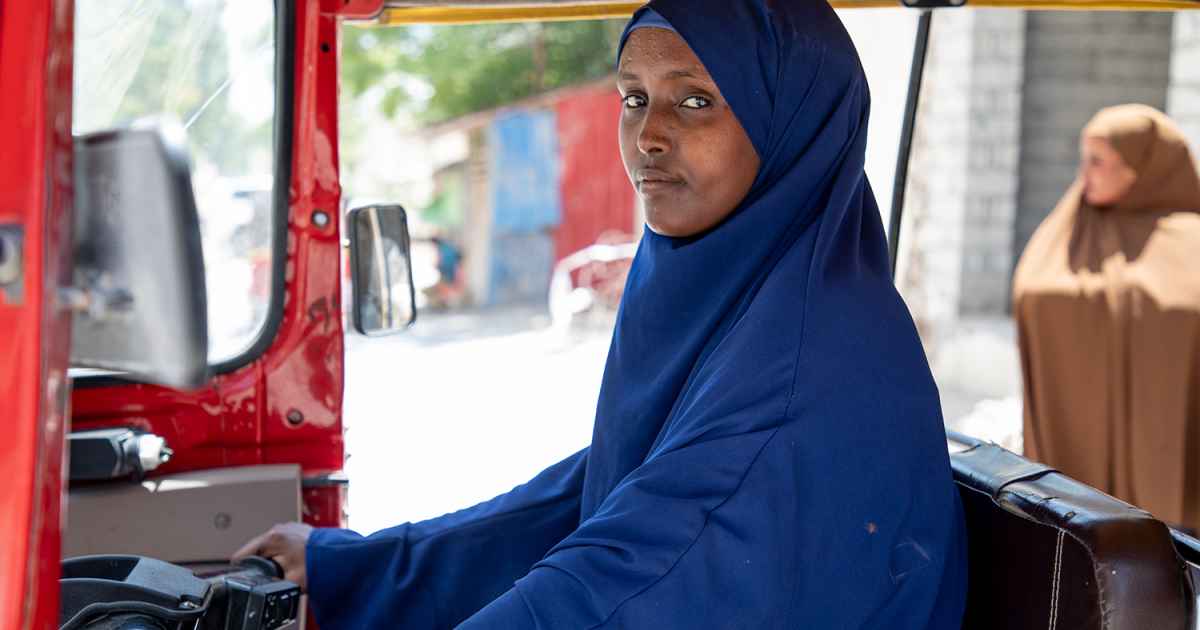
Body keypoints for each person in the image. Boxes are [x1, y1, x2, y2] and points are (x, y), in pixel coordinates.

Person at [234, 1, 968, 626]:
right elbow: (603, 497)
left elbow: (624, 586)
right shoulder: (742, 292)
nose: (648, 134)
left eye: (695, 99)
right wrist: (352, 565)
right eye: (633, 97)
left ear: (791, 126)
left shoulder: (810, 364)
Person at [1013, 104, 1200, 534]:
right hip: (1081, 449)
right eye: (1084, 159)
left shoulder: (1189, 237)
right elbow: (1035, 291)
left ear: (1144, 167)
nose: (1084, 173)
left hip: (1170, 449)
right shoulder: (1071, 225)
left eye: (1098, 161)